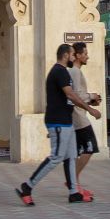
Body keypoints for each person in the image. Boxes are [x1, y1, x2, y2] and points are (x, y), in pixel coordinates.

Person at [16, 44, 100, 205]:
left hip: (65, 122)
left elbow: (69, 98)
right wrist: (90, 109)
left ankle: (74, 192)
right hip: (58, 121)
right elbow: (71, 95)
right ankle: (27, 187)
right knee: (57, 157)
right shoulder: (59, 72)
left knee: (70, 156)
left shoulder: (62, 72)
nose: (74, 57)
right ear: (66, 55)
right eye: (73, 54)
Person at [68, 42, 103, 194]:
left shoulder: (77, 72)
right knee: (90, 148)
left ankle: (74, 182)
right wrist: (91, 96)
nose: (87, 56)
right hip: (79, 117)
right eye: (85, 53)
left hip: (78, 116)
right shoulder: (75, 72)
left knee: (78, 151)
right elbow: (76, 95)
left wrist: (91, 100)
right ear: (78, 55)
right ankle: (73, 180)